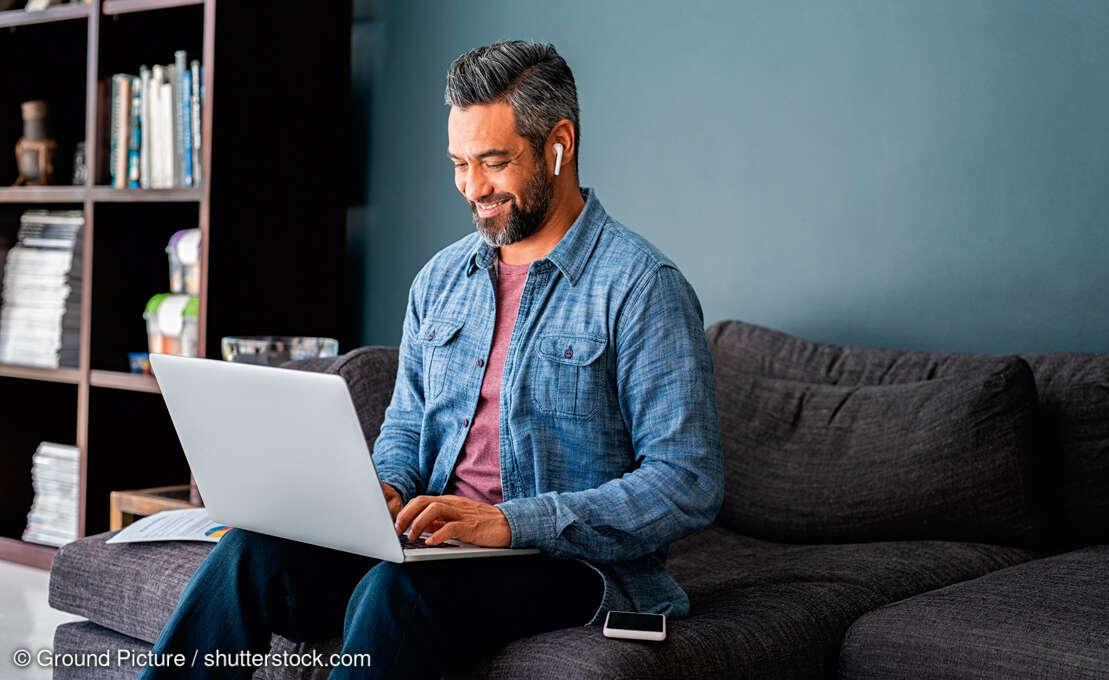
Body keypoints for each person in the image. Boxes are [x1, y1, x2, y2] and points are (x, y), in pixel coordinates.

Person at [141, 40, 722, 679]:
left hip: (569, 567)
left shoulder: (641, 286)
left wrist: (508, 522)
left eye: (494, 162)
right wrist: (384, 489)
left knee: (396, 594)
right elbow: (408, 428)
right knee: (249, 554)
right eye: (458, 163)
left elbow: (686, 482)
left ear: (560, 144)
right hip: (437, 551)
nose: (473, 188)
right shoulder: (441, 280)